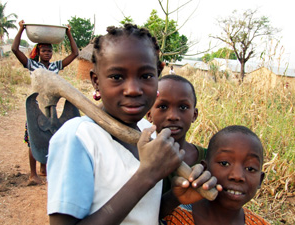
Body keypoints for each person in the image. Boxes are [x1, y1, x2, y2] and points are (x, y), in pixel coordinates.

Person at [47, 24, 218, 225]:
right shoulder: (78, 138)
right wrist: (146, 176)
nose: (133, 90)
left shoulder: (149, 132)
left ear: (158, 74)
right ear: (95, 81)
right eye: (117, 77)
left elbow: (140, 215)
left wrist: (175, 198)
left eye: (146, 76)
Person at [11, 20, 79, 185]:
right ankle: (32, 174)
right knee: (34, 138)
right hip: (36, 107)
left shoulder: (56, 66)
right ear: (38, 52)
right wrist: (21, 29)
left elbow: (75, 54)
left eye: (49, 50)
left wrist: (69, 33)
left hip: (52, 108)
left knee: (50, 135)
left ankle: (44, 168)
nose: (47, 53)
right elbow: (14, 49)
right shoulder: (32, 64)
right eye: (44, 50)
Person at [162, 125, 269, 225]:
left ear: (260, 180)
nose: (237, 176)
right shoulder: (171, 217)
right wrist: (172, 199)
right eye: (224, 163)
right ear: (204, 168)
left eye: (250, 168)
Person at [146, 75, 206, 194]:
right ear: (149, 115)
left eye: (183, 107)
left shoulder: (209, 159)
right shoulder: (139, 160)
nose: (173, 116)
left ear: (194, 115)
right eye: (163, 107)